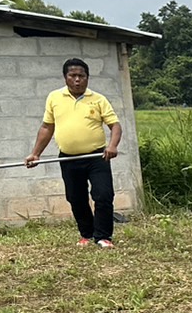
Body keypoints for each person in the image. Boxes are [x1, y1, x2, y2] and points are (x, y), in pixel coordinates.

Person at [26, 57, 122, 248]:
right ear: (65, 77)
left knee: (103, 195)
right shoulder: (54, 98)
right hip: (69, 158)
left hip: (96, 157)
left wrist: (112, 146)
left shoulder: (98, 99)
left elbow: (115, 126)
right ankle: (86, 235)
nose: (77, 80)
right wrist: (35, 154)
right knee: (76, 198)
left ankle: (103, 237)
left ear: (87, 78)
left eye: (82, 76)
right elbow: (47, 127)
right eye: (73, 75)